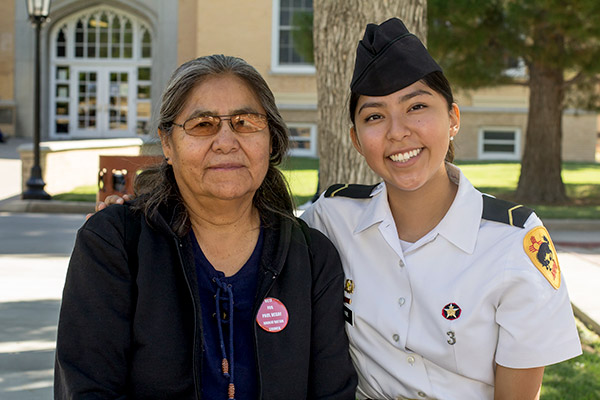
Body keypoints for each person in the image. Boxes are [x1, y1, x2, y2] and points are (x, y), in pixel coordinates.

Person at [300, 18, 582, 399]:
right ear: (355, 138)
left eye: (416, 106)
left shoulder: (512, 244)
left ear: (453, 119)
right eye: (374, 116)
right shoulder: (332, 218)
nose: (397, 131)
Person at [55, 54, 357, 399]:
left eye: (245, 122)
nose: (226, 142)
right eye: (203, 125)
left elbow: (333, 392)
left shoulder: (312, 258)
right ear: (167, 143)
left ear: (270, 139)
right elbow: (88, 389)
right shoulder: (115, 244)